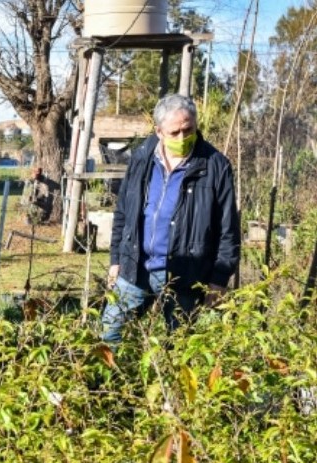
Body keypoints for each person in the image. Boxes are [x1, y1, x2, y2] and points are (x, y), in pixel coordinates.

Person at [102, 93, 241, 344]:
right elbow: (124, 212)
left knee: (178, 346)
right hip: (135, 266)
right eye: (174, 133)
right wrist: (115, 259)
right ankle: (106, 383)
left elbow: (228, 229)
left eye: (188, 130)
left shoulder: (215, 165)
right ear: (158, 131)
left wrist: (219, 280)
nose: (183, 138)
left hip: (186, 274)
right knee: (110, 335)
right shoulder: (141, 159)